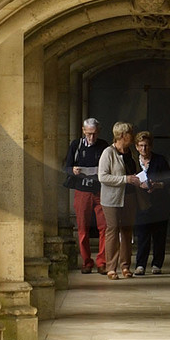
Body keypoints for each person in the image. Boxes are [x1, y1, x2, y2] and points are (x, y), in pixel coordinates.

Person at [64, 116, 105, 272]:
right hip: (82, 190)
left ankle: (102, 262)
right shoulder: (76, 145)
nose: (91, 137)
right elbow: (66, 166)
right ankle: (86, 262)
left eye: (94, 133)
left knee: (104, 227)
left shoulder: (103, 146)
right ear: (83, 131)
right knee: (82, 228)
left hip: (100, 189)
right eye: (88, 133)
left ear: (99, 132)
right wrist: (73, 170)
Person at [98, 121, 138, 278]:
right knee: (113, 230)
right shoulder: (108, 153)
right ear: (122, 135)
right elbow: (103, 177)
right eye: (130, 133)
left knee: (127, 231)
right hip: (112, 198)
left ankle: (125, 266)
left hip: (129, 197)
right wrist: (125, 179)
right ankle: (111, 268)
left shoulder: (130, 153)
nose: (133, 136)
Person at [129, 129, 170, 274]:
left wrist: (157, 185)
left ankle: (157, 264)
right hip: (141, 203)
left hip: (160, 202)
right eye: (141, 145)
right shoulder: (133, 162)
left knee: (159, 235)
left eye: (146, 145)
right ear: (136, 146)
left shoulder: (160, 160)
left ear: (151, 146)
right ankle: (140, 264)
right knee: (142, 235)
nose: (144, 149)